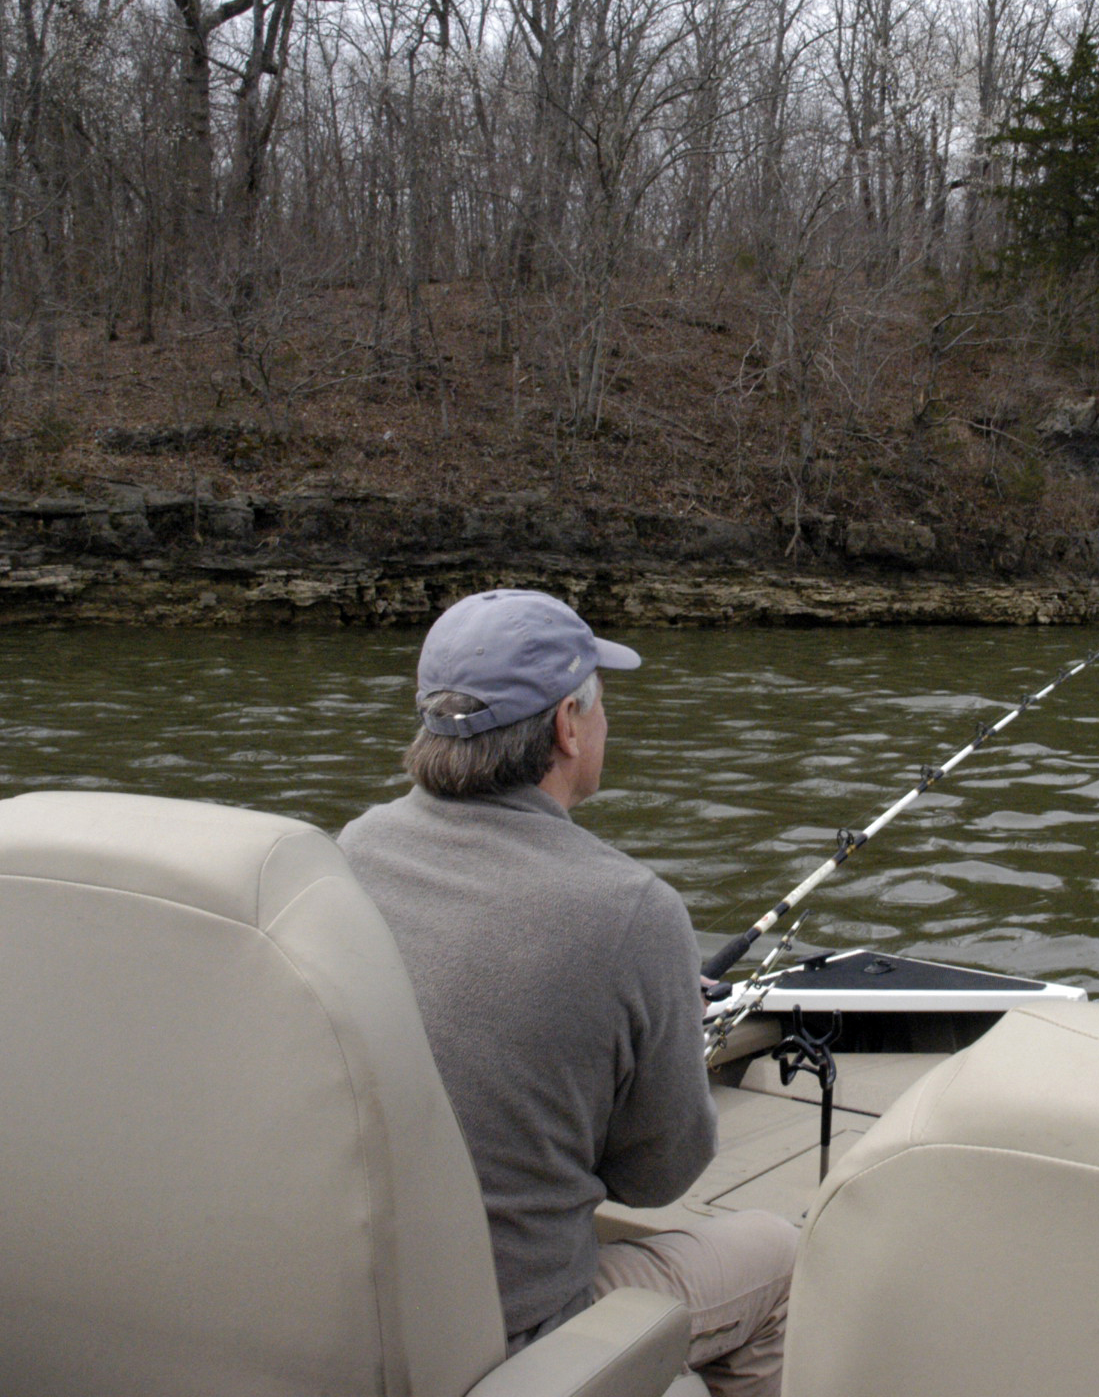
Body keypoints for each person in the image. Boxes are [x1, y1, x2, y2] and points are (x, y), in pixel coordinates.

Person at [338, 588, 795, 1397]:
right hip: (511, 1332)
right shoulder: (633, 911)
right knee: (778, 1256)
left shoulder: (355, 848)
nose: (606, 722)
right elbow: (659, 1178)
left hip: (361, 1305)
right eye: (601, 701)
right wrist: (670, 1033)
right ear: (567, 726)